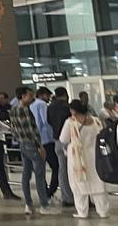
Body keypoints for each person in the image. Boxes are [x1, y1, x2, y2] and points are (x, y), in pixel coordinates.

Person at [57, 100, 108, 219]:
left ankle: (82, 212)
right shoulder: (96, 121)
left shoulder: (70, 122)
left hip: (77, 157)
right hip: (94, 155)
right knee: (97, 183)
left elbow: (63, 139)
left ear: (73, 111)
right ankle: (103, 211)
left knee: (79, 184)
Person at [8, 86, 53, 216]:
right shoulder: (25, 110)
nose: (32, 97)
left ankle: (28, 204)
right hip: (32, 145)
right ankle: (44, 204)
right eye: (30, 95)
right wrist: (39, 146)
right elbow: (32, 131)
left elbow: (13, 129)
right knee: (40, 175)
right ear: (23, 96)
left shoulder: (13, 110)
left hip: (22, 144)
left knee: (26, 174)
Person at [46, 87, 74, 207]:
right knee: (73, 169)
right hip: (69, 140)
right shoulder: (67, 107)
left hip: (57, 139)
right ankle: (77, 196)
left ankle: (66, 197)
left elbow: (49, 121)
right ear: (65, 94)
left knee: (62, 170)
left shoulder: (50, 107)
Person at [30, 86, 60, 199]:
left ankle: (44, 191)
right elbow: (45, 120)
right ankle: (51, 190)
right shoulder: (42, 104)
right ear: (43, 95)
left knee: (40, 168)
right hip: (47, 139)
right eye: (48, 96)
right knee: (56, 166)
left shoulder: (31, 105)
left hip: (36, 140)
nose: (49, 98)